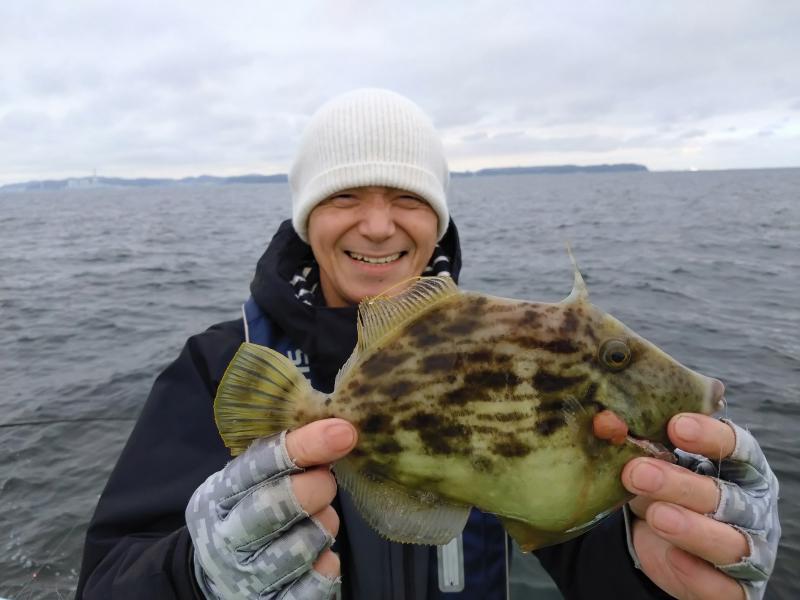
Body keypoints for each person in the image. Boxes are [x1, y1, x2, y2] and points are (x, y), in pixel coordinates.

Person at [76, 89, 780, 600]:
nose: (378, 226)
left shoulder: (510, 353)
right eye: (346, 196)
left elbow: (568, 530)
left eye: (408, 199)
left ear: (437, 220)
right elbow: (106, 581)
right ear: (306, 215)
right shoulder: (217, 364)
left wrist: (658, 565)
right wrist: (195, 578)